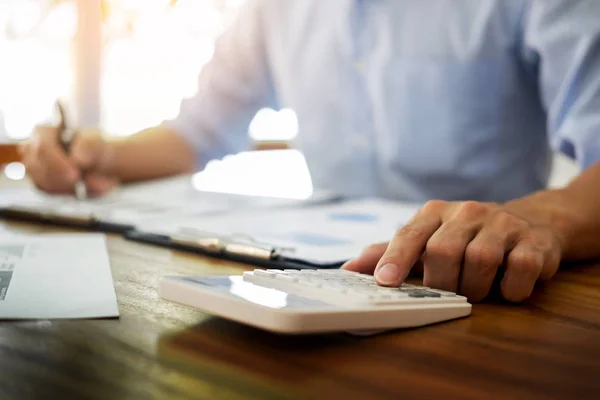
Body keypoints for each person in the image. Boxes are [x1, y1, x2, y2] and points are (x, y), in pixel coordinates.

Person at [19, 0, 600, 303]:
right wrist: (99, 156)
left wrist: (533, 220)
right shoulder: (273, 9)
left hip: (491, 291)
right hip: (329, 283)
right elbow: (195, 133)